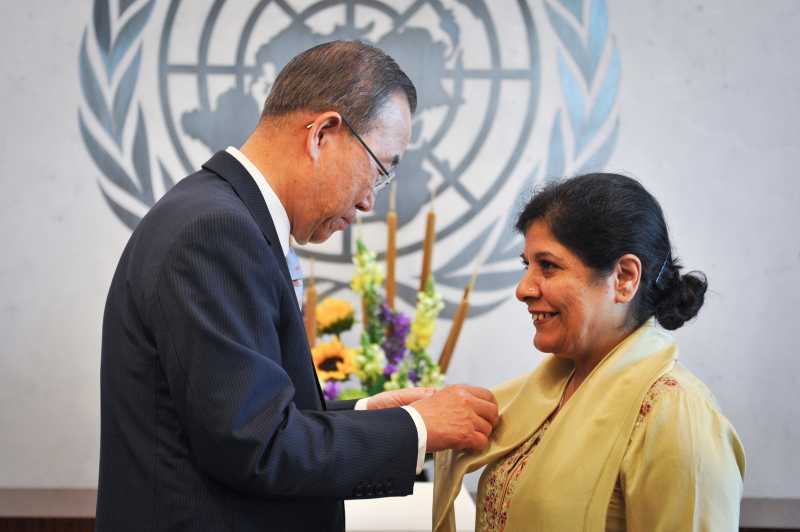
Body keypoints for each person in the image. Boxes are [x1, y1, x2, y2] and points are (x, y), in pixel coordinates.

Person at [95, 41, 499, 532]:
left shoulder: (219, 215)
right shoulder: (216, 232)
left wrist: (369, 413)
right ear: (323, 133)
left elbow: (241, 416)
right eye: (379, 168)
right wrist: (418, 429)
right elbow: (256, 447)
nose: (372, 199)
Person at [433, 173, 745, 531]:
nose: (523, 289)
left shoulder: (677, 416)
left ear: (625, 277)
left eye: (547, 265)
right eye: (527, 265)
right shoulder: (549, 390)